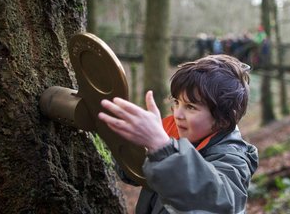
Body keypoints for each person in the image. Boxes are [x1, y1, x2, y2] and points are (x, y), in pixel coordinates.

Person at [98, 54, 259, 213]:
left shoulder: (233, 159)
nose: (177, 114)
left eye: (190, 107)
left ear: (223, 119)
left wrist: (161, 148)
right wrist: (125, 140)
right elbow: (132, 174)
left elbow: (218, 203)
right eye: (176, 102)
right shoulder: (172, 134)